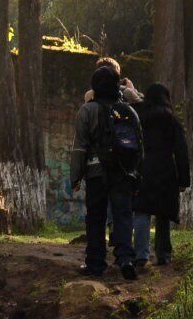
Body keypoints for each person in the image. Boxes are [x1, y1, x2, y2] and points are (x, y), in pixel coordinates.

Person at [70, 66, 144, 280]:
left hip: (96, 173)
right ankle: (126, 259)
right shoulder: (130, 111)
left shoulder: (87, 110)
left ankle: (95, 263)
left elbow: (80, 147)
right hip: (124, 173)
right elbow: (140, 147)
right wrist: (137, 176)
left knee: (96, 218)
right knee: (122, 216)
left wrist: (76, 176)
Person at [132, 83, 190, 267]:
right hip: (166, 171)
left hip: (143, 169)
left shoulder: (139, 117)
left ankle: (141, 254)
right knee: (163, 213)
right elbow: (181, 151)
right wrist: (183, 180)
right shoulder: (171, 120)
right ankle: (163, 254)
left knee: (142, 211)